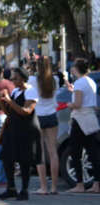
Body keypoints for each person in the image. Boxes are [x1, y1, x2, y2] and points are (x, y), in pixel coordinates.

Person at [0, 67, 41, 201]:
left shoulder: (31, 91)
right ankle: (11, 188)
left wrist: (9, 100)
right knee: (7, 157)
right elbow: (10, 112)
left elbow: (26, 111)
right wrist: (1, 101)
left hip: (26, 130)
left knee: (24, 160)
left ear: (22, 78)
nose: (12, 80)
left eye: (15, 78)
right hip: (13, 128)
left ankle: (24, 190)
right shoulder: (15, 91)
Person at [66, 58, 100, 193]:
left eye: (73, 67)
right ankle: (97, 184)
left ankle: (79, 184)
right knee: (93, 152)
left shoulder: (80, 82)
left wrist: (69, 105)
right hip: (90, 118)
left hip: (80, 119)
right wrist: (73, 91)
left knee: (75, 151)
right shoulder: (90, 81)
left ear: (76, 69)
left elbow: (78, 104)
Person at [33, 57, 60, 195]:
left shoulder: (33, 80)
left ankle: (43, 187)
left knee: (40, 153)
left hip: (38, 116)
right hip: (51, 115)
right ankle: (54, 187)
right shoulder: (55, 80)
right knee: (53, 152)